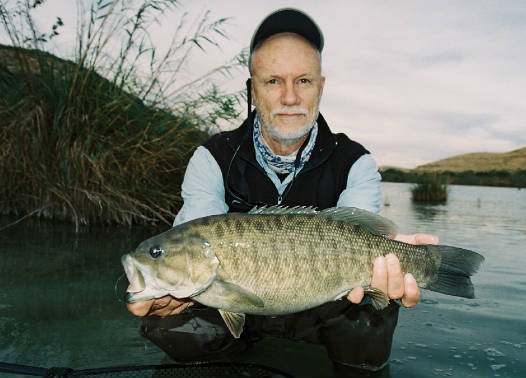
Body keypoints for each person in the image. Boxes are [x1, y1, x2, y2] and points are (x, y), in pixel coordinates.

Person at [126, 8, 438, 376]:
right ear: (252, 89)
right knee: (169, 325)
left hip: (328, 304)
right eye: (273, 81)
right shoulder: (211, 157)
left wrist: (396, 266)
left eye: (303, 81)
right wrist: (160, 288)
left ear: (321, 87)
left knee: (373, 310)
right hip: (234, 301)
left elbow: (364, 237)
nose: (290, 97)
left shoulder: (357, 162)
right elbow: (195, 232)